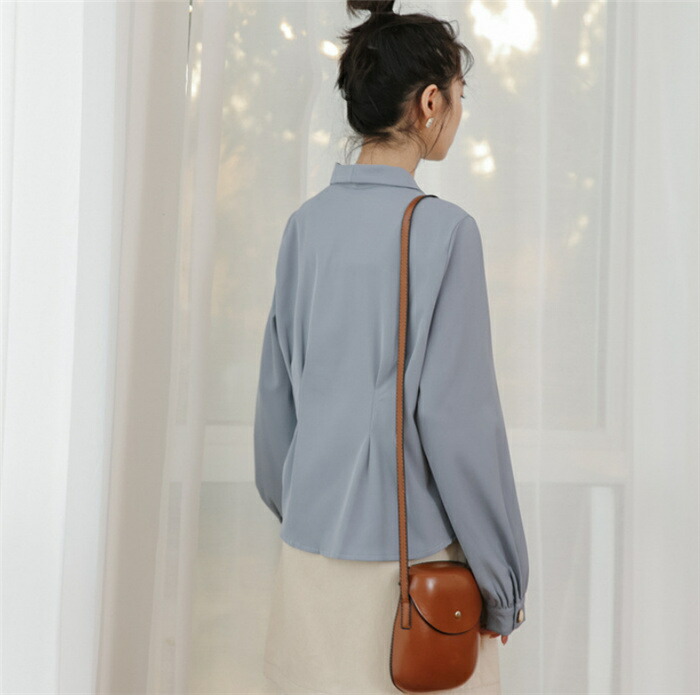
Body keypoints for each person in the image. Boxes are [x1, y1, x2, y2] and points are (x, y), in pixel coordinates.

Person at [253, 1, 529, 692]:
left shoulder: (304, 227)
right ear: (430, 102)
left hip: (307, 567)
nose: (458, 114)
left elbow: (275, 406)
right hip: (409, 579)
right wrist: (501, 582)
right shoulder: (446, 232)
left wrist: (315, 508)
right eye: (459, 96)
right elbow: (459, 424)